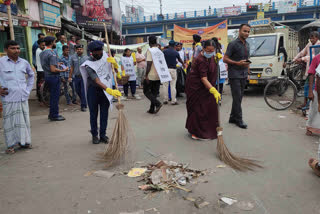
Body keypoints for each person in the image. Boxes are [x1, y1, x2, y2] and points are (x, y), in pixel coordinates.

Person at [80, 40, 121, 144]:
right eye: (97, 54)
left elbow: (114, 71)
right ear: (92, 53)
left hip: (105, 92)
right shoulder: (88, 64)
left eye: (101, 52)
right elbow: (97, 80)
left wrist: (115, 65)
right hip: (94, 91)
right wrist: (109, 90)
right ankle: (94, 135)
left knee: (104, 113)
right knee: (93, 114)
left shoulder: (105, 57)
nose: (100, 55)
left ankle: (103, 134)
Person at [0, 40, 35, 154]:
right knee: (9, 123)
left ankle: (24, 142)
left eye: (18, 48)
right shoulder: (1, 62)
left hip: (22, 97)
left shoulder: (24, 62)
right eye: (13, 48)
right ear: (6, 50)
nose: (16, 51)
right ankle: (10, 145)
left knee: (24, 121)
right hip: (8, 98)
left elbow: (31, 75)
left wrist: (28, 90)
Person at [185, 40, 221, 140]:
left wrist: (216, 60)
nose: (210, 53)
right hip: (196, 87)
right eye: (208, 51)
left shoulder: (211, 57)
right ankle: (196, 132)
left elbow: (212, 69)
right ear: (203, 49)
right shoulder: (201, 59)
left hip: (206, 86)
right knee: (198, 109)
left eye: (213, 51)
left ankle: (208, 129)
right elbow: (204, 78)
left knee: (209, 108)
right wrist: (213, 90)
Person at [223, 24, 251, 129]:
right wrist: (237, 63)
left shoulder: (247, 44)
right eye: (245, 31)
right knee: (237, 97)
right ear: (239, 31)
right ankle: (239, 119)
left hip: (243, 74)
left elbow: (247, 59)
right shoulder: (233, 44)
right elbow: (225, 58)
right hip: (234, 74)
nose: (246, 33)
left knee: (238, 98)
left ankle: (232, 117)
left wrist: (248, 72)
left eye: (248, 31)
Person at [40, 36, 68, 121]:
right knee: (55, 97)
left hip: (47, 76)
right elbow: (53, 69)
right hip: (53, 77)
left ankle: (52, 114)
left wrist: (57, 63)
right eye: (55, 41)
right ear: (52, 42)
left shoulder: (42, 52)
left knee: (52, 96)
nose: (55, 43)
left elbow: (48, 64)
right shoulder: (52, 53)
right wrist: (63, 69)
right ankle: (54, 115)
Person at [294, 31, 320, 109]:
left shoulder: (318, 46)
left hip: (316, 71)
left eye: (313, 37)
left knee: (314, 88)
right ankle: (305, 103)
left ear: (317, 38)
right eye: (310, 38)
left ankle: (313, 105)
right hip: (309, 69)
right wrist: (295, 59)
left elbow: (314, 57)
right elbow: (302, 52)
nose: (311, 39)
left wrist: (302, 59)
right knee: (306, 87)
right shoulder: (309, 45)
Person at [306, 53, 320, 176]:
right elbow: (313, 75)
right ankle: (309, 127)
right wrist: (311, 91)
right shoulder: (317, 58)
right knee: (313, 110)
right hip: (316, 91)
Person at [144, 35, 163, 114]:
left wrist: (146, 75)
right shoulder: (159, 50)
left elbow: (149, 63)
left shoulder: (150, 50)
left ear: (149, 42)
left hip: (151, 75)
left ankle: (157, 103)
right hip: (158, 75)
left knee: (146, 91)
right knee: (154, 92)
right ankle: (152, 109)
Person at [163, 40, 184, 105]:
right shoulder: (175, 52)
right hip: (173, 70)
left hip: (165, 70)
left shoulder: (164, 52)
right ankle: (173, 100)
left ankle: (165, 100)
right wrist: (183, 64)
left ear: (169, 45)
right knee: (173, 85)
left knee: (165, 85)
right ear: (174, 45)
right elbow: (180, 59)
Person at [68, 44, 89, 111]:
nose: (79, 50)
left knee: (83, 91)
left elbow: (88, 68)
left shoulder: (86, 58)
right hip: (76, 77)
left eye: (80, 49)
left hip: (84, 77)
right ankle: (84, 100)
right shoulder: (73, 57)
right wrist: (69, 77)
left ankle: (83, 105)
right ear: (76, 50)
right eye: (78, 49)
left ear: (82, 50)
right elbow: (71, 67)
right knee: (77, 90)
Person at [36, 38, 46, 103]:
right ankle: (41, 99)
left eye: (44, 45)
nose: (44, 46)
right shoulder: (39, 51)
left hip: (40, 69)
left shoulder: (39, 50)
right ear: (39, 45)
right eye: (42, 45)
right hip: (41, 70)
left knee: (40, 85)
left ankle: (41, 99)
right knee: (41, 86)